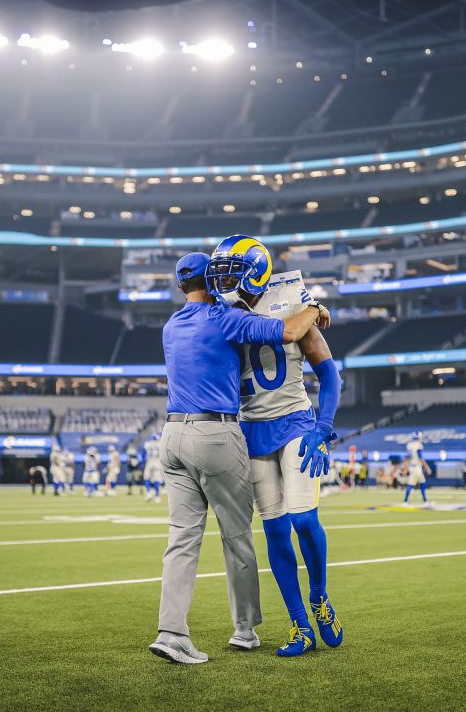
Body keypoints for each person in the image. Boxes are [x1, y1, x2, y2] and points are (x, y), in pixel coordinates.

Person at [150, 250, 325, 665]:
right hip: (216, 432)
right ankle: (245, 631)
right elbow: (288, 331)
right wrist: (315, 307)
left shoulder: (171, 326)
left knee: (181, 540)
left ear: (180, 285)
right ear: (211, 282)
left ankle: (171, 632)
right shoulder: (223, 318)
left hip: (171, 435)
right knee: (237, 536)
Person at [213, 246, 343, 658]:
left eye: (234, 274)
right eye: (222, 275)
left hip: (295, 422)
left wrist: (323, 428)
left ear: (256, 273)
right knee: (273, 530)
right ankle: (300, 625)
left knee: (304, 519)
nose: (225, 283)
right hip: (253, 430)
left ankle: (320, 597)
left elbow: (328, 371)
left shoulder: (292, 304)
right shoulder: (225, 314)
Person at [403, 431, 429, 505]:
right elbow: (421, 458)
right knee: (413, 484)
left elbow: (407, 457)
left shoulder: (410, 445)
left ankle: (425, 500)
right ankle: (405, 500)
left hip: (412, 466)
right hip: (417, 467)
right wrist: (427, 467)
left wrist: (405, 467)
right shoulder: (418, 445)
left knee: (422, 482)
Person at [143, 434, 164, 503]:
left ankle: (148, 493)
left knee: (146, 478)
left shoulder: (147, 444)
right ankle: (157, 497)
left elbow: (143, 455)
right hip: (157, 463)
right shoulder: (161, 444)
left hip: (149, 462)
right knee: (156, 480)